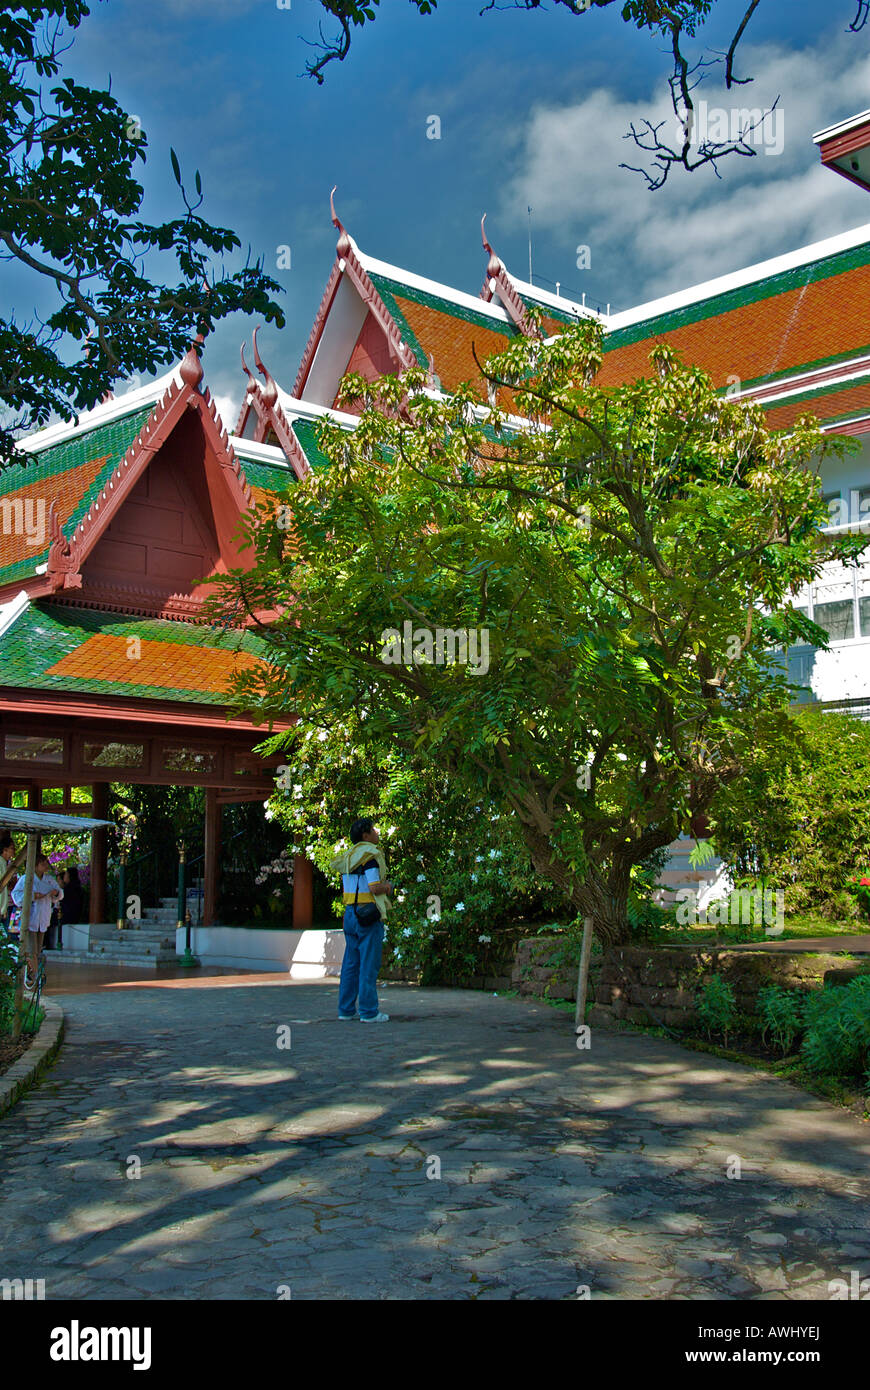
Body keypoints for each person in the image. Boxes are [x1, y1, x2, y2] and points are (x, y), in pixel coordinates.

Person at [329, 817, 394, 1023]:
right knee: (368, 963)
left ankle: (345, 1010)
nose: (377, 833)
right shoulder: (370, 857)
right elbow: (374, 886)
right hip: (368, 914)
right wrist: (388, 887)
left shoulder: (348, 857)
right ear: (365, 835)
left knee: (351, 963)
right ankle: (369, 1012)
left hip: (350, 914)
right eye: (373, 830)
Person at [11, 853, 62, 987]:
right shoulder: (26, 878)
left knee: (38, 950)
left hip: (43, 919)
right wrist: (33, 896)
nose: (45, 866)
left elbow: (59, 892)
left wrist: (55, 894)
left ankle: (32, 974)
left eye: (46, 863)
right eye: (42, 864)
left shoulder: (49, 880)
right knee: (31, 949)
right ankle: (35, 975)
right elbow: (16, 895)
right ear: (35, 865)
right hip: (30, 918)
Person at [0, 831, 21, 933]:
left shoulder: (11, 864)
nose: (14, 851)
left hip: (11, 904)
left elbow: (14, 884)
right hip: (3, 904)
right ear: (5, 850)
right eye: (12, 848)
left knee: (12, 934)